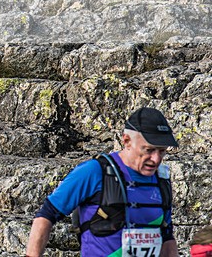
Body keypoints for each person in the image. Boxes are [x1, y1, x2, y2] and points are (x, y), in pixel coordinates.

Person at [25, 107, 179, 257]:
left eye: (162, 151)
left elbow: (166, 236)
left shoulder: (162, 180)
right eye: (149, 150)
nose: (156, 159)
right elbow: (47, 214)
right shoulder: (94, 171)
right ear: (126, 141)